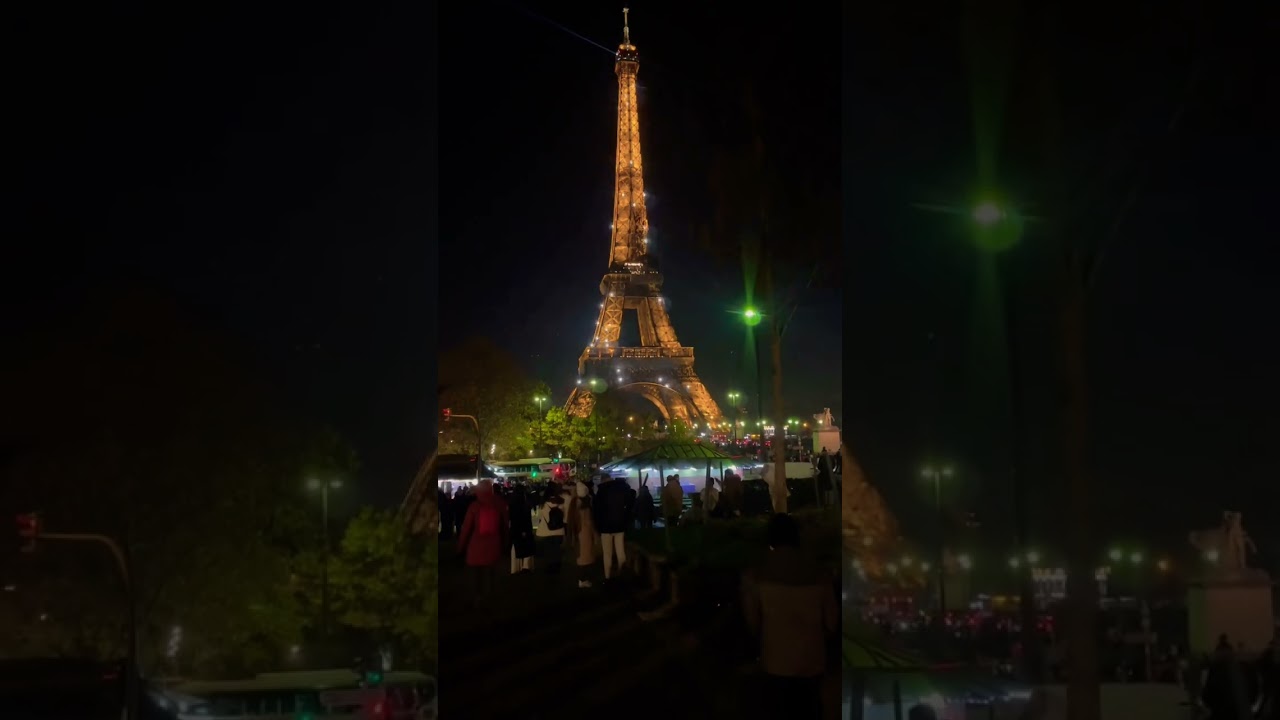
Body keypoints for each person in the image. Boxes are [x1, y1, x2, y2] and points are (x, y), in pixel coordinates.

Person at [742, 513, 837, 720]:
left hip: (776, 662)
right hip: (813, 661)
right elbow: (832, 622)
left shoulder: (755, 575)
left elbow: (752, 623)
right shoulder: (821, 574)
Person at [456, 479, 509, 608]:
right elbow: (505, 526)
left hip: (476, 547)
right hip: (494, 544)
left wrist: (460, 547)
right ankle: (490, 598)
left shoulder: (474, 506)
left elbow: (466, 529)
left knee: (476, 575)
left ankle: (478, 598)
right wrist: (506, 543)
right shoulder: (500, 504)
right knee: (490, 573)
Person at [593, 474, 630, 582]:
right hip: (619, 525)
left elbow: (597, 512)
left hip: (605, 527)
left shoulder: (601, 492)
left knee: (607, 553)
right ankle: (622, 574)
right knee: (620, 551)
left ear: (603, 480)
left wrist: (598, 527)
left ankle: (607, 576)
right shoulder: (621, 489)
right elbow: (628, 505)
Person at [573, 479, 599, 588]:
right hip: (585, 535)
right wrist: (595, 535)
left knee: (582, 557)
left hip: (579, 534)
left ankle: (582, 579)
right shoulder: (585, 508)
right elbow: (589, 523)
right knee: (586, 557)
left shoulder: (575, 505)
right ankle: (583, 579)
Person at [536, 493, 567, 576]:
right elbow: (564, 518)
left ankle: (549, 567)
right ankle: (557, 567)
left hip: (546, 532)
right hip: (559, 531)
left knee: (549, 550)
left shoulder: (543, 506)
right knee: (557, 550)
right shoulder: (561, 505)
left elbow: (539, 518)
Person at [508, 485, 536, 574]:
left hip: (515, 528)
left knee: (516, 547)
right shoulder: (525, 503)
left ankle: (516, 567)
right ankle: (525, 566)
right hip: (525, 528)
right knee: (527, 547)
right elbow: (526, 517)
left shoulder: (512, 503)